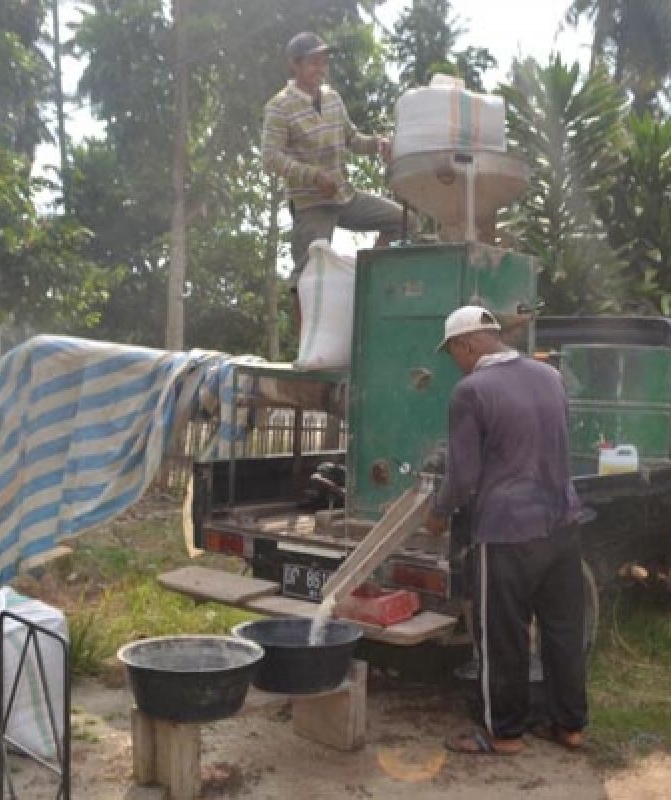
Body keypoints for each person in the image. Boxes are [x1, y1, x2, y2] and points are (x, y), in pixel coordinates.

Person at [424, 306, 588, 755]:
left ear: (468, 344)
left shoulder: (470, 391)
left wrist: (438, 514)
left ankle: (504, 733)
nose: (455, 362)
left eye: (453, 352)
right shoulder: (549, 377)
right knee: (562, 630)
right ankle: (569, 726)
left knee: (502, 636)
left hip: (505, 532)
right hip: (562, 524)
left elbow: (462, 479)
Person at [261, 31, 413, 322]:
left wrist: (376, 144)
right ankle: (307, 344)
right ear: (294, 65)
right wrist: (314, 176)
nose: (320, 69)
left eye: (324, 62)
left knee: (404, 222)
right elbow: (271, 158)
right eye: (313, 63)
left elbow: (351, 139)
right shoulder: (279, 107)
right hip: (311, 204)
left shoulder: (333, 99)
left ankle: (364, 278)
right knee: (308, 274)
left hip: (344, 195)